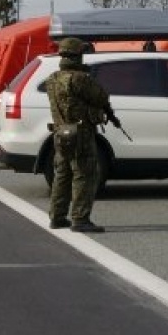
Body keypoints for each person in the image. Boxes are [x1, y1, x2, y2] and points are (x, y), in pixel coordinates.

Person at [43, 36, 120, 233]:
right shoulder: (79, 79)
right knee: (85, 174)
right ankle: (80, 218)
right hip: (81, 134)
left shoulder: (53, 78)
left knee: (62, 173)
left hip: (61, 132)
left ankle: (57, 216)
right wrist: (87, 75)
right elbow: (101, 96)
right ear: (78, 55)